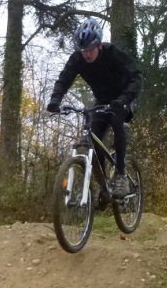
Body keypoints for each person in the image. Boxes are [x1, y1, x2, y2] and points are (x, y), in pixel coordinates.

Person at [46, 18, 143, 198]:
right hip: (101, 101)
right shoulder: (77, 59)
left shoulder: (113, 54)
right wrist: (55, 100)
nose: (87, 55)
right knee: (94, 139)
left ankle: (121, 175)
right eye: (83, 50)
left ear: (99, 45)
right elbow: (64, 79)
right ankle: (105, 186)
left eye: (90, 49)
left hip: (123, 99)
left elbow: (137, 77)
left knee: (116, 120)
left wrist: (124, 99)